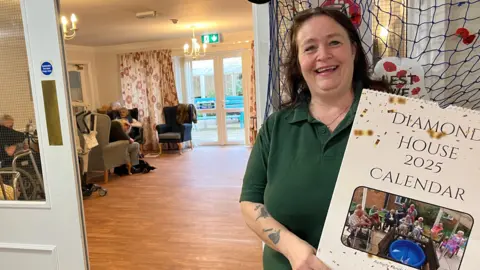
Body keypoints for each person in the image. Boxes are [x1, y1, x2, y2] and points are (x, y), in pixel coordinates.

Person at [239, 7, 390, 270]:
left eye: (334, 42)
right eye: (309, 48)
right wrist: (293, 248)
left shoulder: (393, 122)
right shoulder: (276, 127)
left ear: (353, 50)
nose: (323, 55)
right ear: (298, 62)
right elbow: (250, 202)